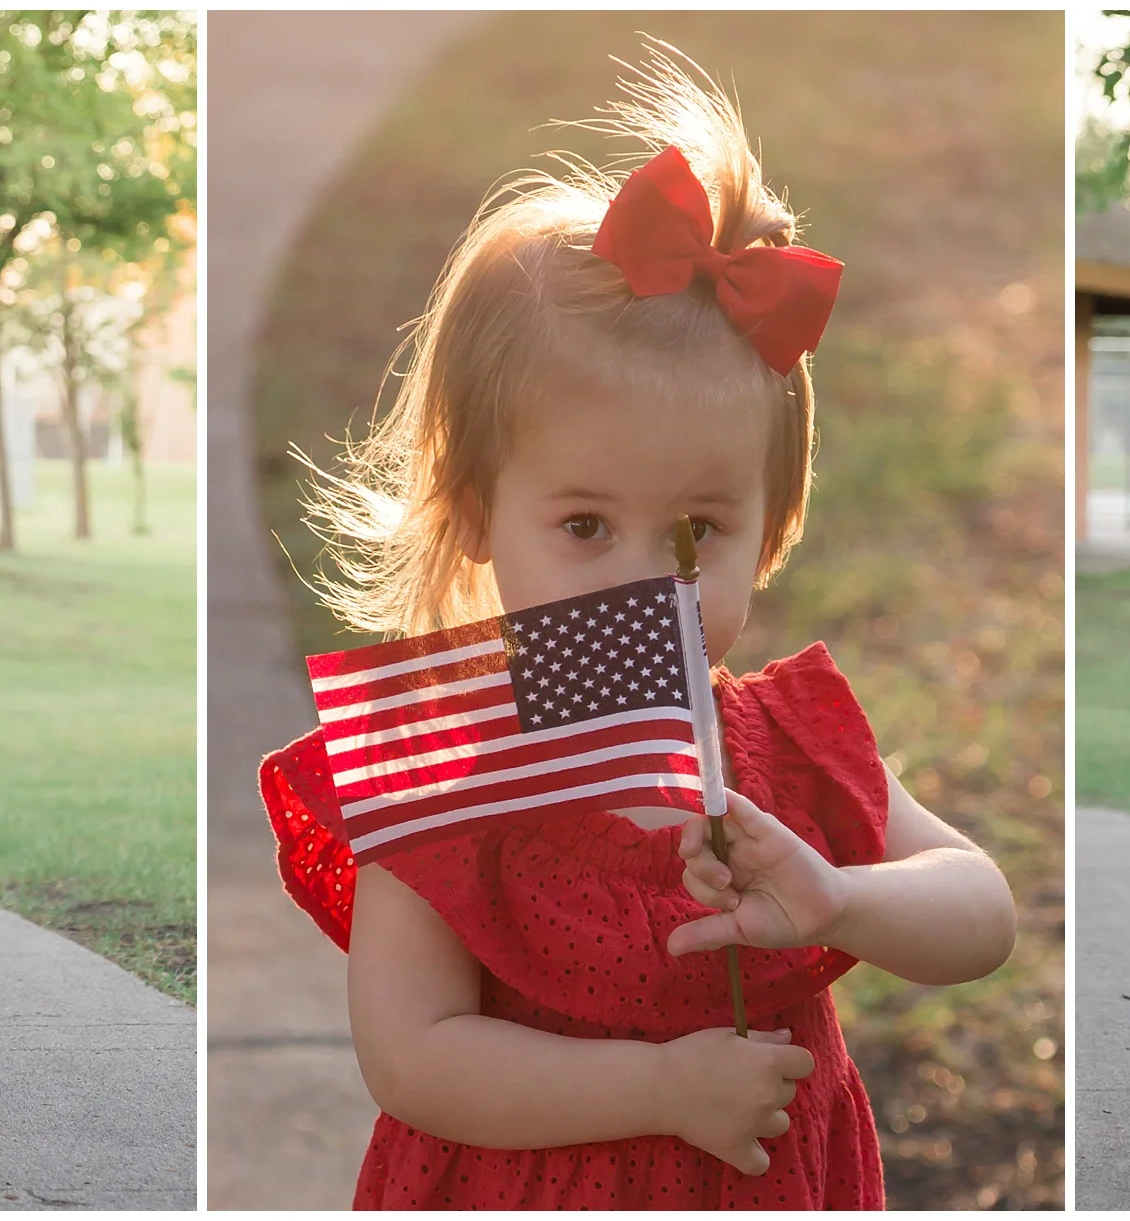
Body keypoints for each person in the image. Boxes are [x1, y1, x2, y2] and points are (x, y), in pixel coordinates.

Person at [258, 41, 1018, 1207]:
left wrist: (840, 896)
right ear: (475, 514)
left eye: (697, 531)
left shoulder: (785, 749)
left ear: (771, 532)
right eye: (581, 526)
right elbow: (412, 1056)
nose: (642, 586)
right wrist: (662, 1090)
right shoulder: (451, 771)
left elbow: (981, 912)